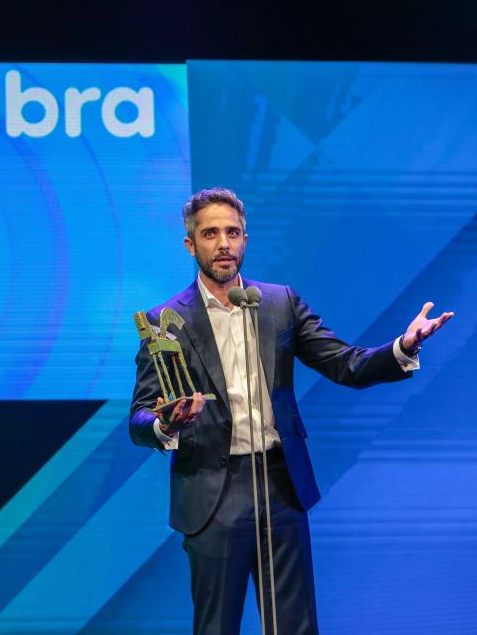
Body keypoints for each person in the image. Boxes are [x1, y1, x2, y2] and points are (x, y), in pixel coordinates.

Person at [129, 188, 453, 635]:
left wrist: (403, 346)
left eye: (233, 232)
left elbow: (346, 363)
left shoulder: (279, 303)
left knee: (295, 626)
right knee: (216, 626)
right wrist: (164, 423)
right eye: (211, 234)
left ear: (245, 239)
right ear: (191, 244)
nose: (223, 243)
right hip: (211, 493)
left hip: (281, 487)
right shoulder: (166, 320)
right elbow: (139, 418)